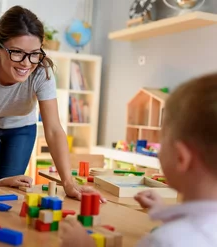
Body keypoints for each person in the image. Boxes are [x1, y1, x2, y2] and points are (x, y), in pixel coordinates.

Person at [0, 5, 105, 201]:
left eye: (34, 54)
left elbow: (54, 130)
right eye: (17, 52)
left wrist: (68, 183)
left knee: (10, 189)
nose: (26, 63)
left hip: (21, 128)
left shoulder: (41, 73)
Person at [59, 73, 217, 247]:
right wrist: (161, 210)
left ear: (181, 157)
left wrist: (85, 245)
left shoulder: (163, 241)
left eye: (161, 139)